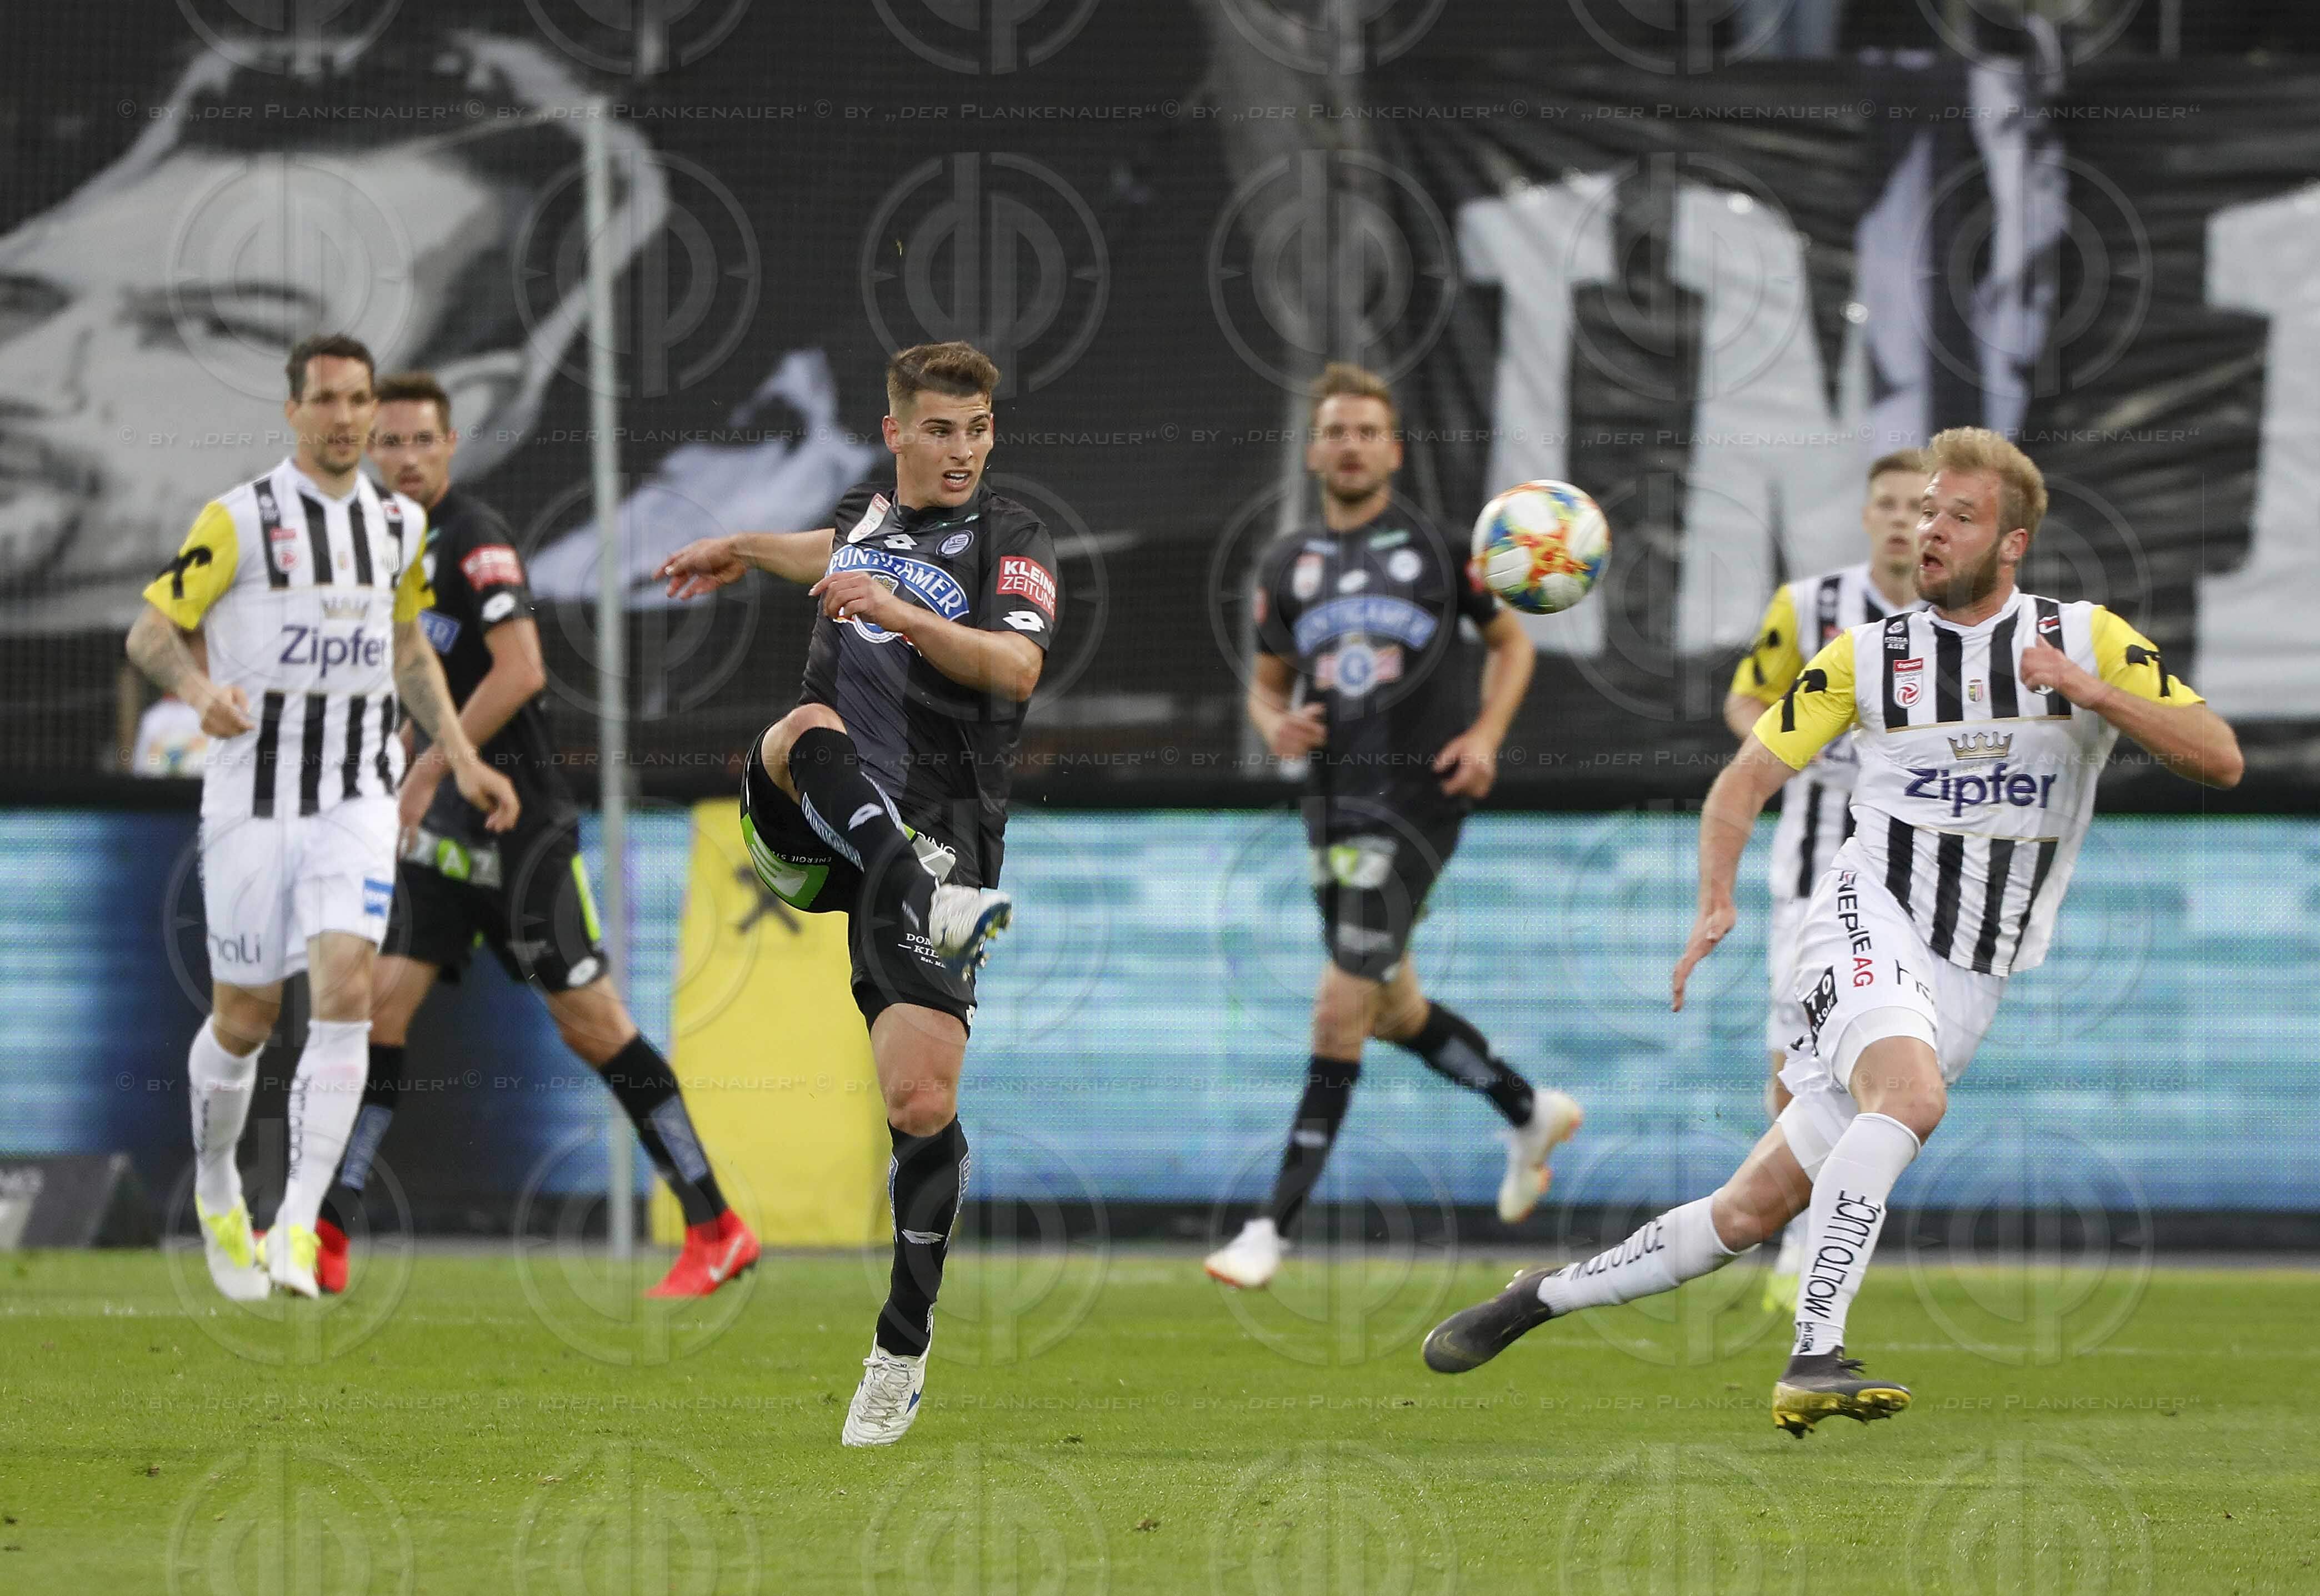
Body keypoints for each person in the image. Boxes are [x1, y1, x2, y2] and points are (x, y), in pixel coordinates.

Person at [1422, 427, 2242, 1436]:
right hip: (1866, 912)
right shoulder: (1868, 655)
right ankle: (1815, 1353)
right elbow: (1743, 781)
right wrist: (1716, 898)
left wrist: (2093, 693)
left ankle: (1537, 1295)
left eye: (1959, 516)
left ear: (2013, 543)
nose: (1930, 529)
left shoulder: (2087, 639)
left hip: (1974, 969)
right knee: (1912, 1098)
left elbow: (2220, 756)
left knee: (1747, 1212)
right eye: (1928, 509)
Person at [657, 340, 1051, 1447]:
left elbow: (1018, 669)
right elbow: (828, 552)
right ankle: (914, 892)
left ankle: (900, 1348)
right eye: (940, 429)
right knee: (801, 727)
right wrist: (743, 547)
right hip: (814, 820)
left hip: (945, 836)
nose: (962, 450)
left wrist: (901, 611)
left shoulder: (1013, 539)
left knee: (919, 1103)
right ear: (895, 432)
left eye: (978, 429)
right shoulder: (863, 517)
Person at [306, 371, 756, 1298]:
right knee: (376, 1008)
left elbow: (520, 670)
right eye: (390, 441)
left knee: (593, 1027)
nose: (406, 457)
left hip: (521, 830)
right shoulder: (381, 546)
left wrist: (430, 768)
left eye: (422, 440)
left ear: (451, 445)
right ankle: (326, 1232)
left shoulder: (474, 539)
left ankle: (716, 1223)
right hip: (441, 834)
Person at [126, 334, 519, 1300]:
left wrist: (461, 757)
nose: (344, 417)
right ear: (293, 410)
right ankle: (219, 1185)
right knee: (246, 1017)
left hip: (357, 794)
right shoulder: (239, 518)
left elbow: (408, 650)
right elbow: (150, 631)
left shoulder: (398, 526)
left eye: (358, 400)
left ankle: (299, 1223)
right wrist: (199, 691)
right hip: (251, 802)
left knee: (348, 991)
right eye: (327, 400)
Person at [1203, 363, 1582, 1293]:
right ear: (1314, 449)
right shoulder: (1288, 565)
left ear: (1394, 450)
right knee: (1393, 1008)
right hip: (1334, 804)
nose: (1351, 445)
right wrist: (1275, 725)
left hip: (1420, 801)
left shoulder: (1444, 549)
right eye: (1336, 430)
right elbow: (1265, 687)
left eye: (1367, 431)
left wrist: (1485, 737)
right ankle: (1527, 1109)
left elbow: (1512, 645)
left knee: (1339, 1006)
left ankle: (1271, 1225)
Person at [1723, 448, 1927, 1309]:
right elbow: (1745, 698)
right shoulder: (1810, 606)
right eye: (1889, 504)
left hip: (1916, 883)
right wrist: (1789, 741)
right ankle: (1797, 1231)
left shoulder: (1964, 621)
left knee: (1881, 1062)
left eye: (1919, 506)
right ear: (1868, 514)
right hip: (1812, 876)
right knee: (1795, 1058)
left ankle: (1826, 1234)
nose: (1903, 520)